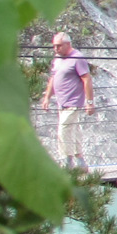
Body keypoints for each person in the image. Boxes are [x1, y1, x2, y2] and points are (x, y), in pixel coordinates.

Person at [39, 31, 94, 166]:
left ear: (68, 44)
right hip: (61, 102)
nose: (55, 49)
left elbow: (86, 79)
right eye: (54, 46)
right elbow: (53, 78)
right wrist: (47, 97)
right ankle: (80, 161)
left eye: (58, 46)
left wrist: (89, 102)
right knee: (73, 130)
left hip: (74, 101)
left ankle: (67, 162)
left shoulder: (77, 58)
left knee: (64, 129)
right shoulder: (57, 59)